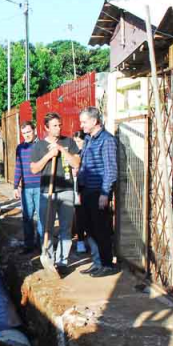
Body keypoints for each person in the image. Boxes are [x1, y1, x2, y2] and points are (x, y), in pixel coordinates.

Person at [30, 112, 81, 274]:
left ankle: (62, 261)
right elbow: (34, 169)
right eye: (54, 126)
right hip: (47, 192)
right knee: (47, 227)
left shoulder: (69, 142)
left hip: (66, 190)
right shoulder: (38, 146)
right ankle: (49, 258)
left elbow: (76, 163)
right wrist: (49, 155)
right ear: (46, 128)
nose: (58, 128)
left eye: (59, 125)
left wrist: (61, 150)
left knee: (66, 228)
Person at [77, 106, 119, 278]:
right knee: (89, 228)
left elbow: (111, 169)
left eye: (84, 122)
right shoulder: (88, 139)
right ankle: (97, 262)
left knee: (101, 229)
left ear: (94, 121)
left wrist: (104, 193)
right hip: (86, 190)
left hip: (98, 191)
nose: (82, 126)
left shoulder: (107, 140)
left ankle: (107, 265)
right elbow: (84, 164)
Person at [13, 121, 42, 253]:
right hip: (25, 188)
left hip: (41, 186)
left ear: (35, 130)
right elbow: (18, 167)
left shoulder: (42, 145)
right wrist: (15, 186)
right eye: (24, 133)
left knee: (41, 217)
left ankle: (42, 245)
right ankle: (29, 245)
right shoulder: (20, 148)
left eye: (29, 132)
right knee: (27, 217)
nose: (26, 135)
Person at [72, 131, 89, 255]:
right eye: (75, 141)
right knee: (79, 214)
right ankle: (80, 241)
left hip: (88, 187)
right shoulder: (76, 153)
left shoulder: (88, 152)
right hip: (77, 188)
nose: (77, 144)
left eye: (79, 141)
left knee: (88, 216)